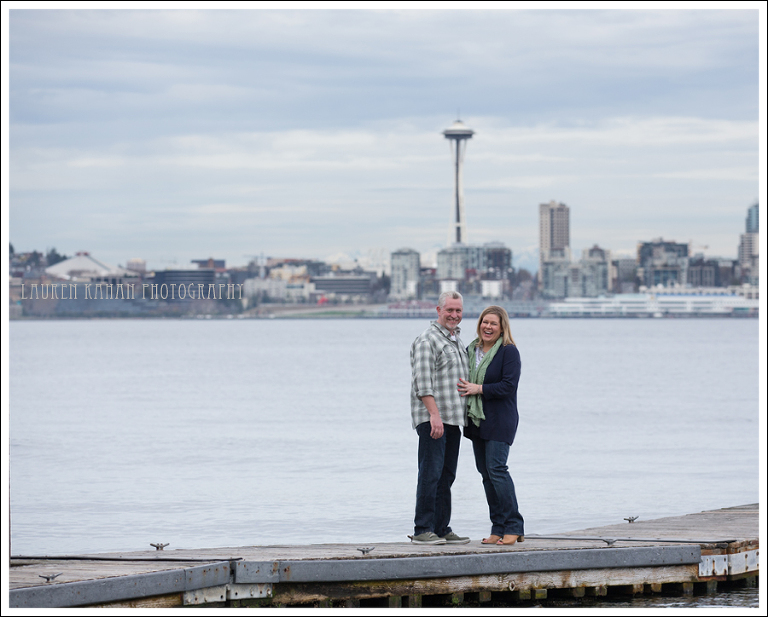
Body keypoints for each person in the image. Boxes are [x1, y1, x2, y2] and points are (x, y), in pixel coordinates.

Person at [457, 305, 524, 545]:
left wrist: (479, 388)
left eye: (493, 323)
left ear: (502, 327)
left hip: (500, 420)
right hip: (477, 419)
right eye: (485, 322)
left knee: (497, 470)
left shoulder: (508, 352)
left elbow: (509, 386)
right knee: (486, 474)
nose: (488, 327)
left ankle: (514, 526)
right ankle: (498, 527)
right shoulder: (470, 350)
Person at [409, 290, 470, 545]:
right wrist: (434, 415)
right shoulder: (427, 340)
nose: (454, 315)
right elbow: (422, 383)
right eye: (449, 310)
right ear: (438, 311)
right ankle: (423, 529)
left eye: (458, 310)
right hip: (433, 419)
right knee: (430, 474)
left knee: (446, 476)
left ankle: (441, 528)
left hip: (453, 419)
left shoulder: (455, 340)